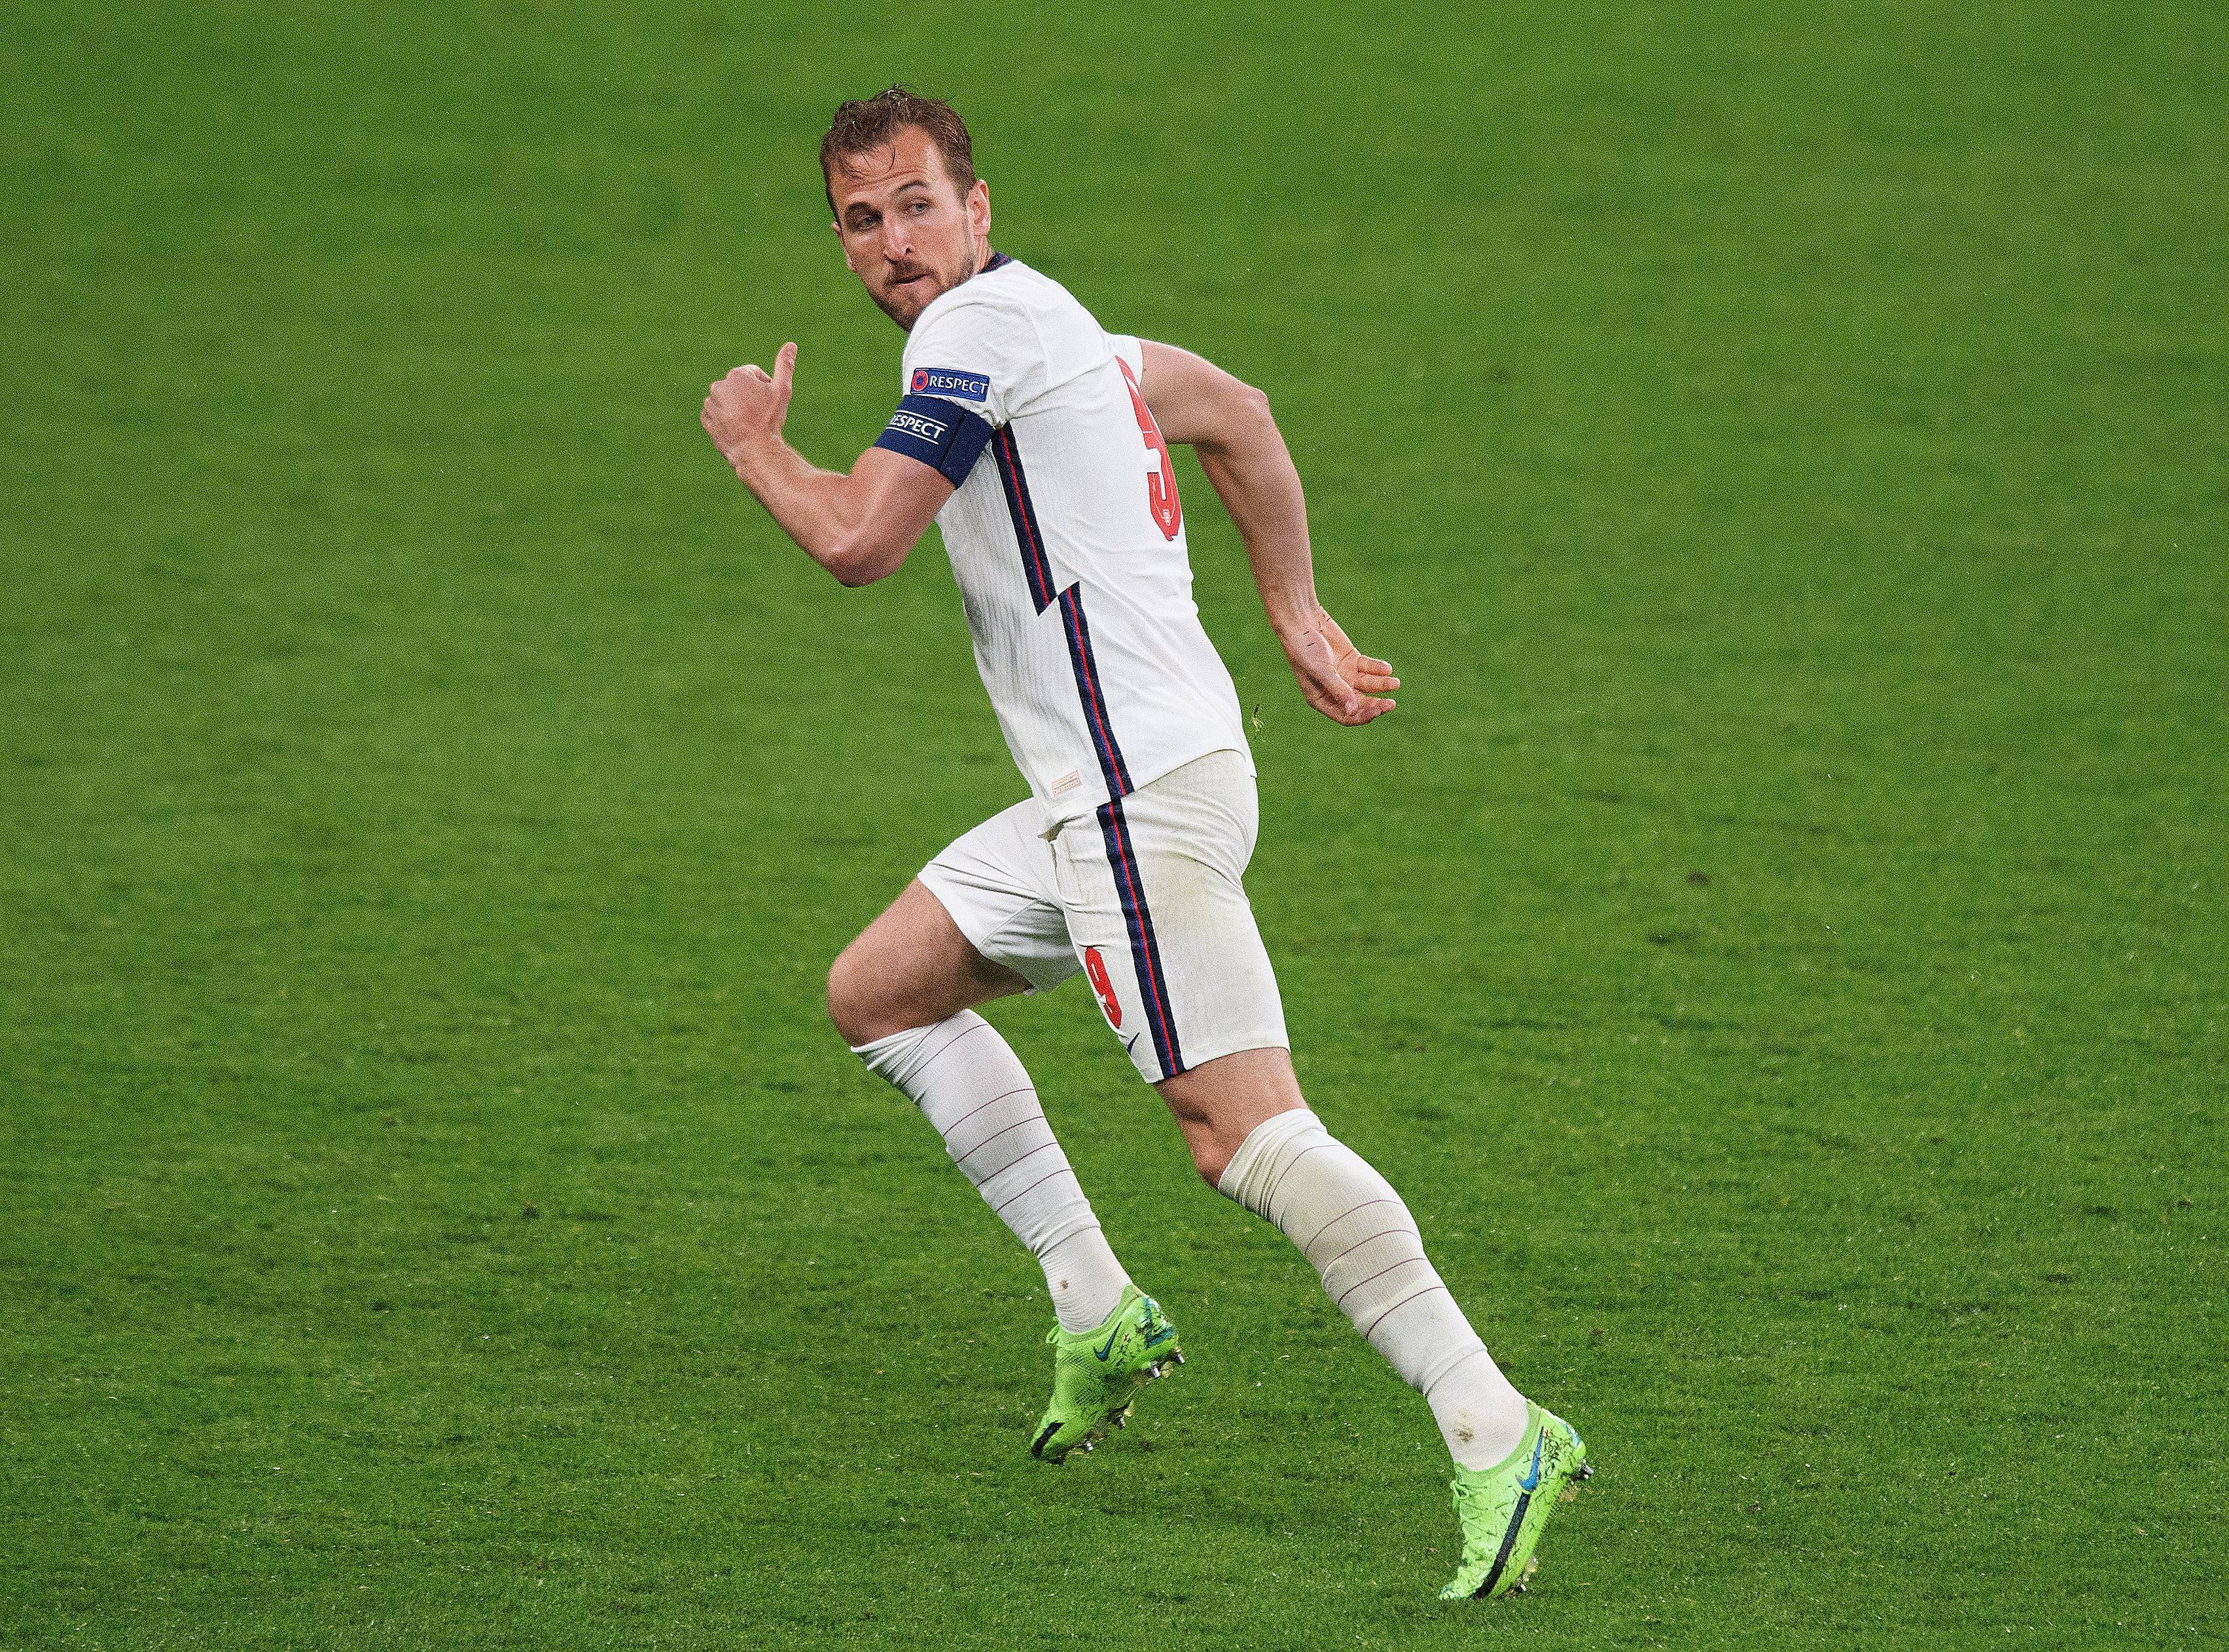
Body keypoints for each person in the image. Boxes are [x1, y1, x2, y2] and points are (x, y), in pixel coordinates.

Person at [700, 86, 1589, 1602]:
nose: (895, 242)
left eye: (918, 203)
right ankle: (1095, 1301)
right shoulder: (1062, 327)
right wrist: (1292, 612)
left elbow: (859, 538)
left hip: (1130, 801)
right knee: (883, 989)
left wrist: (752, 447)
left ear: (979, 212)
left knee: (1234, 1128)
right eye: (863, 219)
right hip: (1129, 783)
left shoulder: (969, 337)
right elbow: (1234, 407)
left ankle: (1493, 1420)